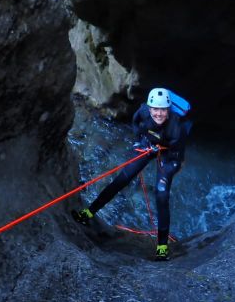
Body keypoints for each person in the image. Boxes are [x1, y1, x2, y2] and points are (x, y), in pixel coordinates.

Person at [72, 88, 187, 260]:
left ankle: (162, 246)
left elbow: (177, 159)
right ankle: (88, 214)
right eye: (155, 109)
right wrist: (140, 142)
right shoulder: (143, 111)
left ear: (168, 110)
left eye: (163, 110)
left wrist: (164, 158)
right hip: (148, 145)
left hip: (168, 153)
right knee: (121, 179)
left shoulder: (176, 128)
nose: (159, 114)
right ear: (149, 108)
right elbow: (136, 124)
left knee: (161, 195)